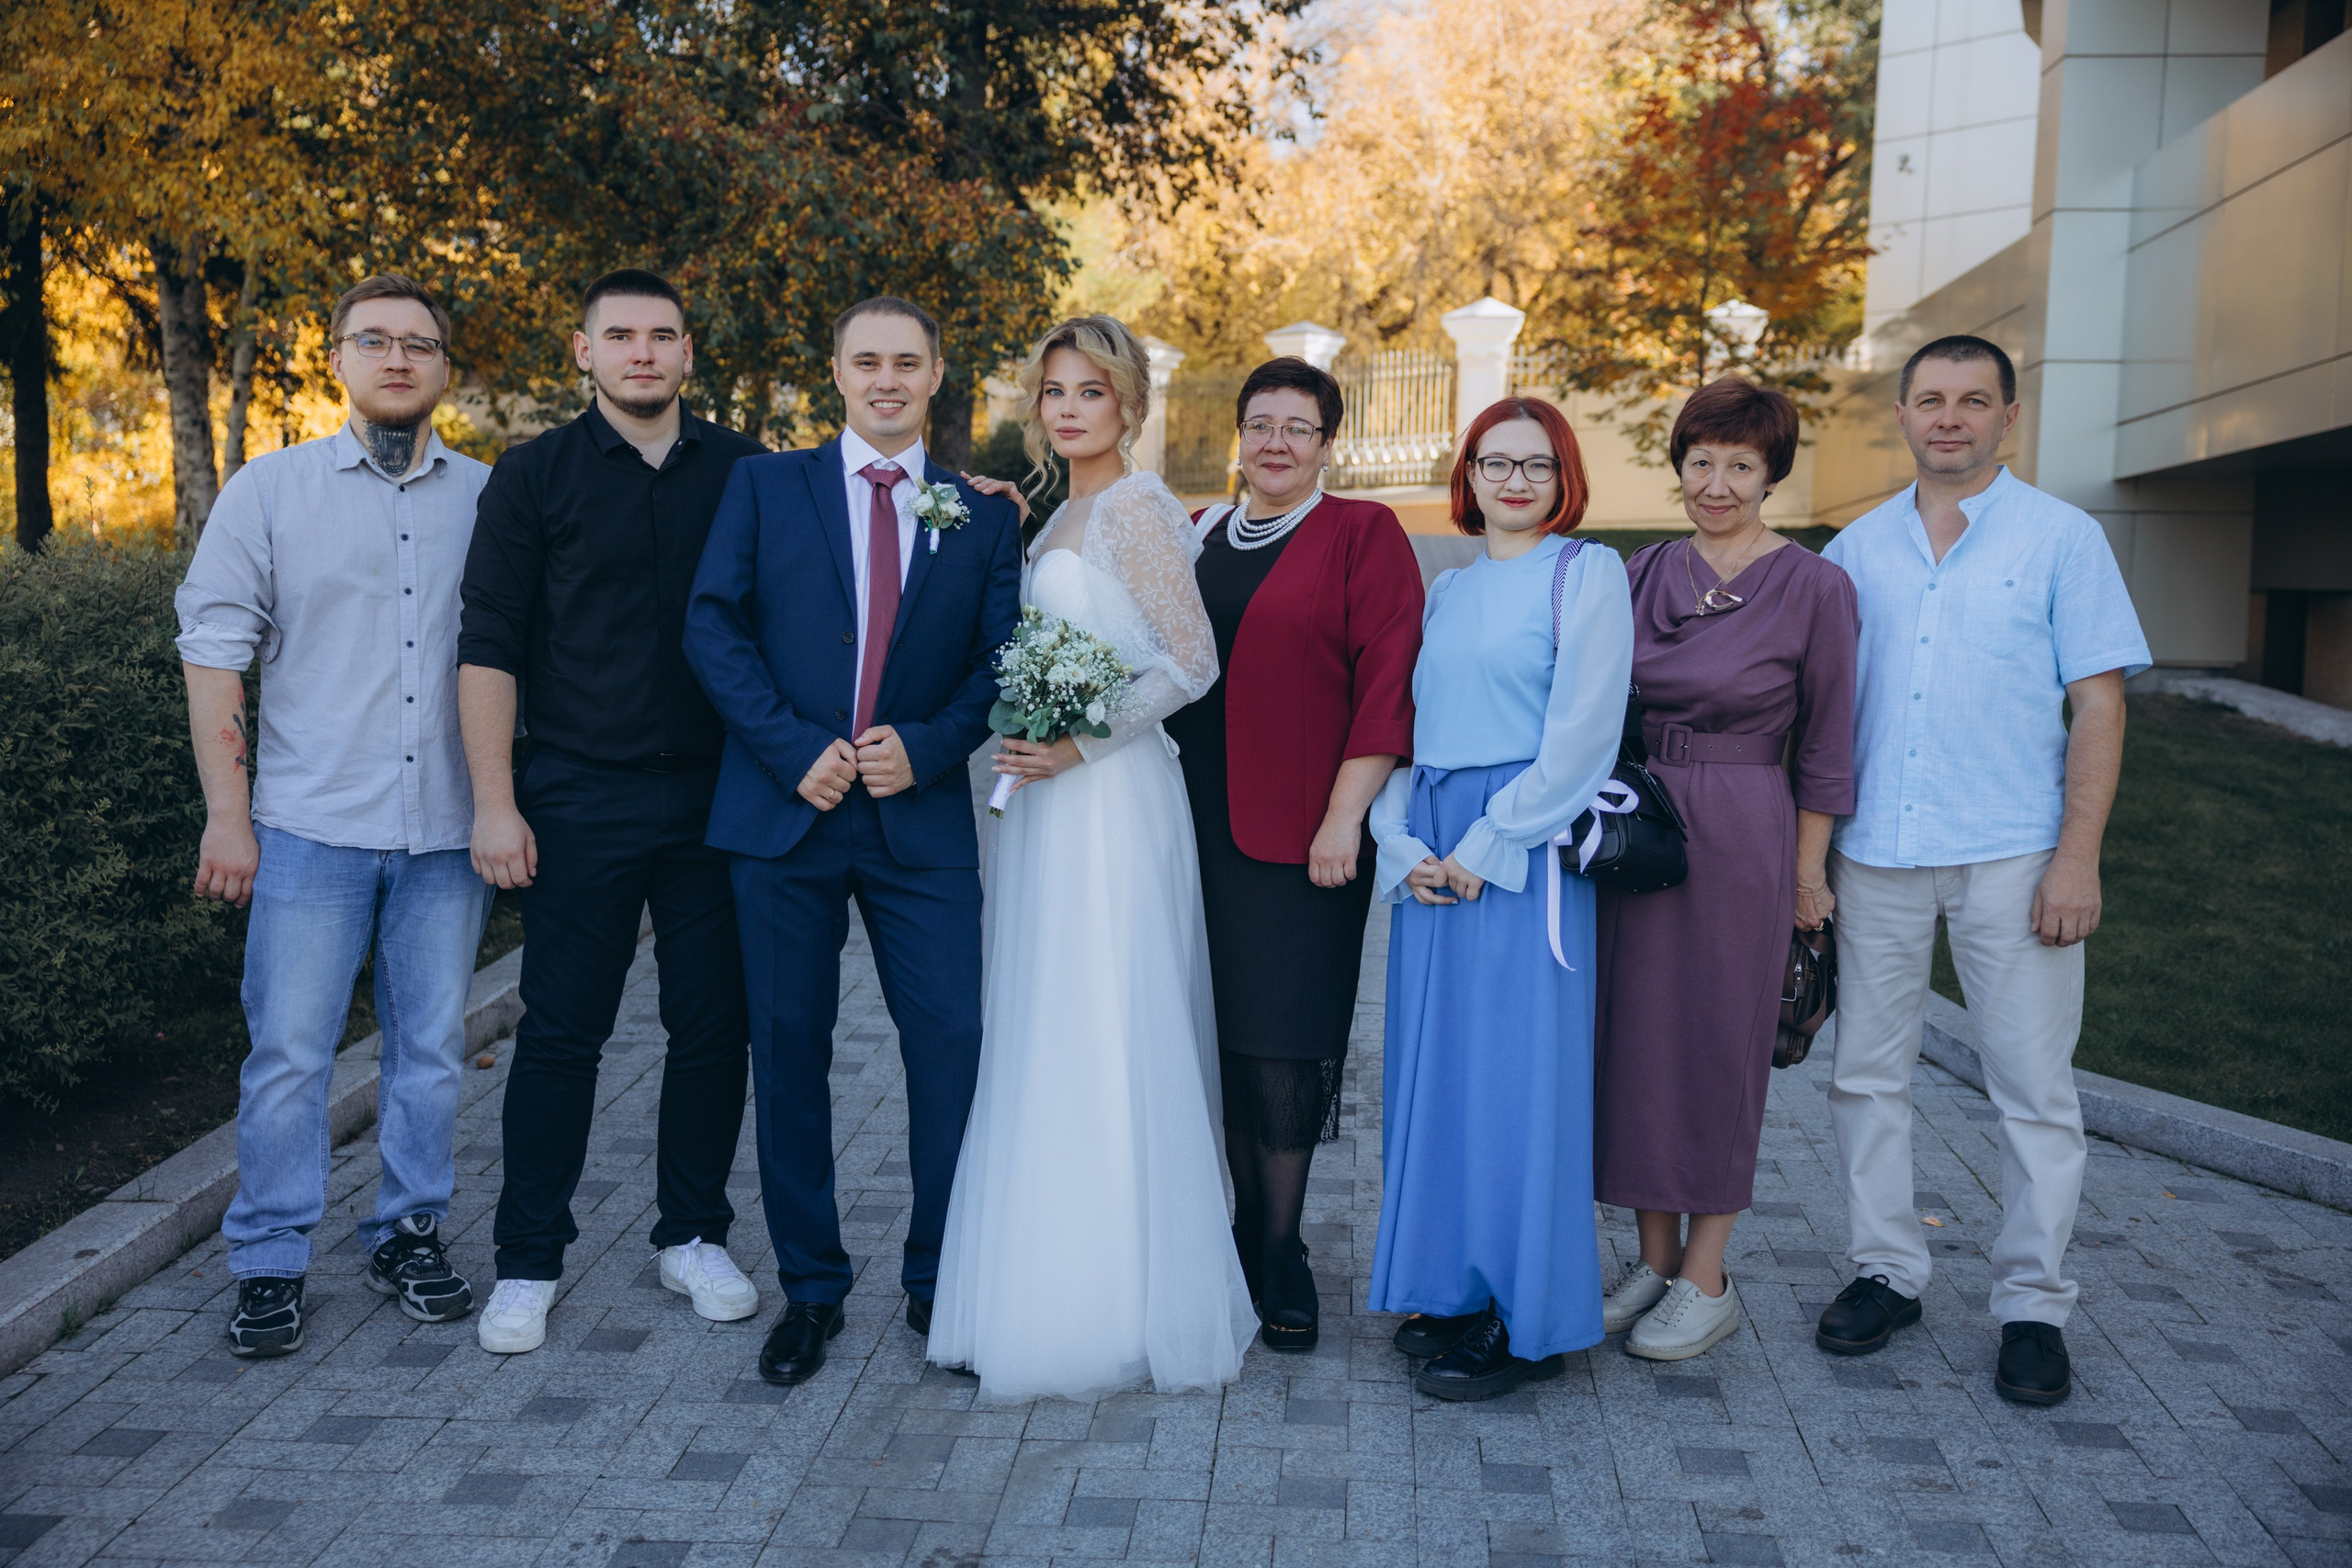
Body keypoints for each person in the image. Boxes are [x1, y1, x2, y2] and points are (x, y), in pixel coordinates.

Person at [684, 297, 1023, 1387]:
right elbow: (713, 626)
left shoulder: (980, 510)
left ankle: (943, 1280)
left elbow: (996, 659)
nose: (886, 378)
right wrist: (794, 749)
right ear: (835, 371)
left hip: (916, 822)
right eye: (865, 360)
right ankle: (811, 1292)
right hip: (786, 814)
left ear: (935, 376)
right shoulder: (763, 485)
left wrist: (924, 748)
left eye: (907, 362)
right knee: (788, 1052)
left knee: (953, 1047)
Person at [927, 315, 1257, 1398]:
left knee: (1109, 1015)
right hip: (1047, 808)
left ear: (1129, 407)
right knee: (1044, 1018)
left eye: (1092, 393)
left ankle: (1118, 1296)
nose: (1069, 410)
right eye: (1054, 392)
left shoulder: (1137, 509)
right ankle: (1035, 1273)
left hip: (1110, 798)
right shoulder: (1057, 509)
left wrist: (1076, 742)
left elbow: (1190, 663)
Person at [1817, 335, 2148, 1408]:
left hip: (2014, 854)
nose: (1947, 417)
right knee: (1867, 1078)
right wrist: (1809, 860)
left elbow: (2098, 702)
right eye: (1928, 400)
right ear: (1903, 415)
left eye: (1971, 400)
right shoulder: (1853, 553)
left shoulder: (2061, 539)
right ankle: (1887, 1271)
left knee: (2033, 1093)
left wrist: (2076, 859)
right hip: (1877, 853)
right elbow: (1822, 722)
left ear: (2008, 416)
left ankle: (2033, 1307)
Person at [176, 274, 492, 1357]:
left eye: (420, 342)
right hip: (310, 827)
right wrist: (230, 816)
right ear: (337, 358)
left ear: (447, 366)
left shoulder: (490, 498)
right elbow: (214, 653)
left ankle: (408, 1230)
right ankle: (268, 1259)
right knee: (290, 1057)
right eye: (374, 341)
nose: (397, 358)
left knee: (432, 1054)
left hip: (448, 831)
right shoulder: (269, 493)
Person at [458, 269, 767, 1354]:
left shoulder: (748, 474)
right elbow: (488, 644)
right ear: (581, 351)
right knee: (560, 1034)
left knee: (712, 1028)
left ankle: (691, 1235)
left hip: (720, 798)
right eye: (620, 335)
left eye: (664, 335)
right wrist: (495, 803)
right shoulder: (531, 476)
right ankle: (528, 1260)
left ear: (690, 353)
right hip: (579, 794)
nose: (644, 352)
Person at [1366, 397, 1632, 1400]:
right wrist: (1399, 838)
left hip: (1521, 850)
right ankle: (1458, 1288)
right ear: (1467, 477)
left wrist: (1488, 841)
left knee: (1521, 1087)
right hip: (1435, 849)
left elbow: (1581, 734)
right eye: (1493, 463)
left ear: (1563, 477)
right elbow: (1412, 725)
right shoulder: (1448, 589)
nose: (1514, 481)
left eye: (1535, 464)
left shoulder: (1586, 575)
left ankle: (1532, 1324)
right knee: (1443, 1083)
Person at [1591, 377, 1858, 1359]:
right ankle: (1653, 1263)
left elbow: (1829, 746)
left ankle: (1708, 1279)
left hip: (1746, 829)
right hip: (1642, 827)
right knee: (1633, 1042)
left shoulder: (1814, 587)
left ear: (1771, 473)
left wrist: (1807, 877)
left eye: (1739, 464)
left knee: (1715, 1048)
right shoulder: (1641, 571)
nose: (1716, 482)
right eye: (1700, 460)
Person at [1159, 357, 1421, 1353]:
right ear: (1238, 434)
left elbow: (1386, 684)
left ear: (1326, 444)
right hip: (1188, 826)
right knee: (1219, 1033)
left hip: (1301, 839)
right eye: (1259, 423)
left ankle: (1281, 1245)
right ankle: (1229, 1229)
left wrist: (1342, 819)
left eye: (1297, 428)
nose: (1275, 442)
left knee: (1284, 1042)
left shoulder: (1362, 535)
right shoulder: (1198, 535)